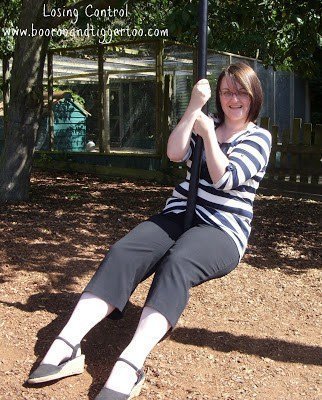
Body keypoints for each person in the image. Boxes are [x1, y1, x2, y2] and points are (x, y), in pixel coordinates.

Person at [27, 62, 272, 400]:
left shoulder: (259, 138)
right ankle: (67, 344)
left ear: (253, 96)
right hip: (179, 214)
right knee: (125, 251)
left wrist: (209, 137)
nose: (233, 99)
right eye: (226, 91)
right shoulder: (207, 121)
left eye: (240, 92)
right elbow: (174, 153)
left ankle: (130, 361)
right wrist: (193, 111)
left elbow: (225, 178)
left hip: (221, 229)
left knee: (178, 262)